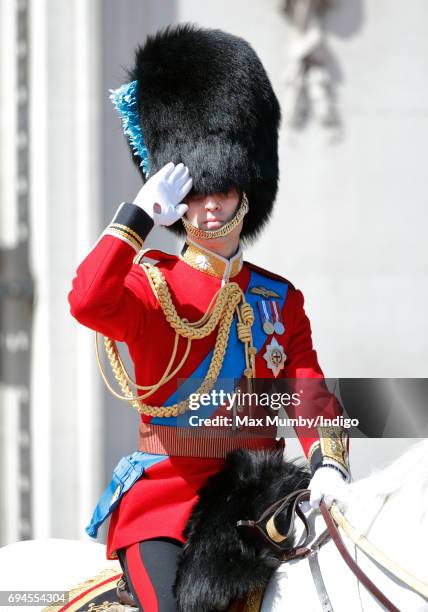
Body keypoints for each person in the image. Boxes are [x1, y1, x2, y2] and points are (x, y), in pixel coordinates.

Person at [68, 24, 350, 612]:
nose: (213, 203)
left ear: (248, 188)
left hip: (256, 502)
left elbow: (307, 396)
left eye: (224, 187)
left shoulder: (278, 299)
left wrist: (327, 463)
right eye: (199, 189)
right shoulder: (151, 283)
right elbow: (88, 300)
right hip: (167, 504)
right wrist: (137, 217)